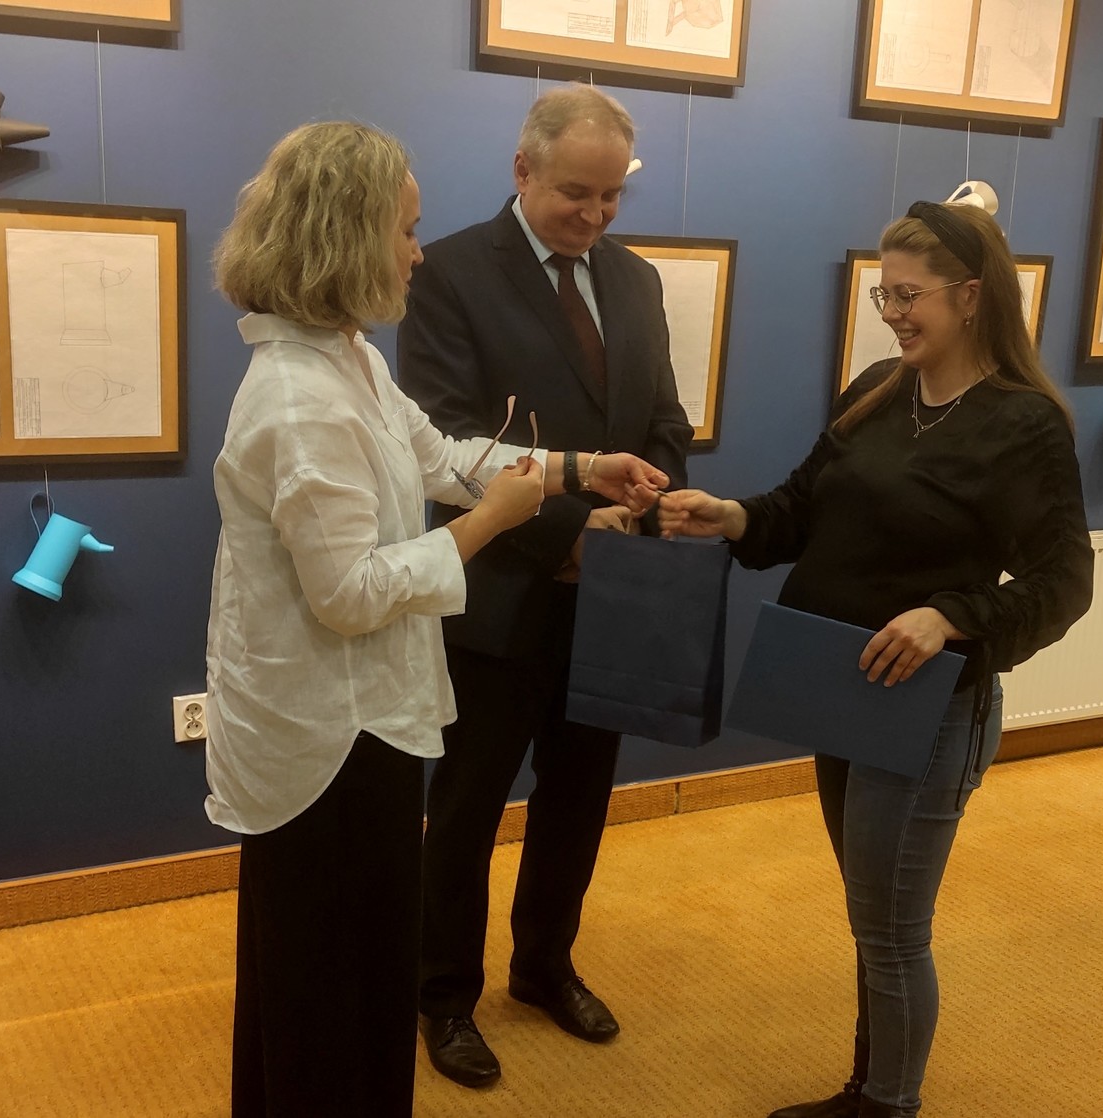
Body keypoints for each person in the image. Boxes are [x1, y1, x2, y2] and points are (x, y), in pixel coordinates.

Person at [202, 120, 667, 1118]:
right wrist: (494, 521)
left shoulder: (348, 359)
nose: (417, 252)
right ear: (346, 238)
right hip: (323, 733)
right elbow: (349, 593)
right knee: (325, 976)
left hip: (363, 714)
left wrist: (581, 468)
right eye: (405, 231)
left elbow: (446, 457)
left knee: (361, 964)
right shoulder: (299, 400)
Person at [659, 200, 1094, 1118]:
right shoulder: (878, 390)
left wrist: (950, 616)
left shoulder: (1024, 425)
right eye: (882, 294)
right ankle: (867, 1087)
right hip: (840, 685)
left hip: (928, 708)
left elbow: (1064, 584)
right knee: (871, 913)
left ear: (970, 296)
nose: (893, 313)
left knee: (893, 927)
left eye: (909, 295)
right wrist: (729, 516)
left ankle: (887, 1104)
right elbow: (799, 509)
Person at [398, 83, 693, 1088]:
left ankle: (543, 966)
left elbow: (664, 421)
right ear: (522, 170)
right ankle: (443, 993)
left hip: (611, 595)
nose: (596, 215)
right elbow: (445, 448)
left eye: (612, 196)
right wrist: (572, 527)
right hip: (498, 596)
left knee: (578, 800)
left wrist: (644, 504)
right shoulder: (447, 275)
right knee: (468, 807)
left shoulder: (637, 280)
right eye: (576, 193)